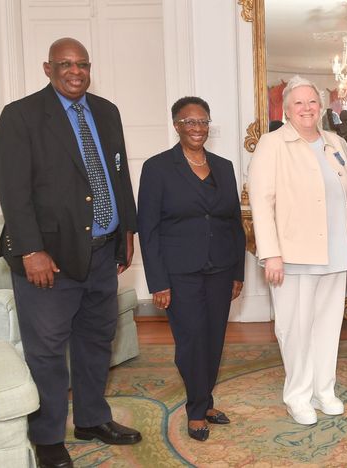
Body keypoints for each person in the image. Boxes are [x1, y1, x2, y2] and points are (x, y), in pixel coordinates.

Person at [0, 37, 140, 467]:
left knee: (97, 340)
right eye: (65, 64)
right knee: (48, 351)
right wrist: (31, 250)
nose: (75, 72)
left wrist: (126, 229)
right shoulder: (21, 116)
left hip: (101, 253)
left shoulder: (106, 111)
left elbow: (118, 174)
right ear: (48, 68)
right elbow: (12, 191)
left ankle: (93, 418)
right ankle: (48, 437)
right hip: (48, 260)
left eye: (82, 64)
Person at [250, 76, 347, 425]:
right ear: (286, 110)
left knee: (328, 328)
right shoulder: (272, 144)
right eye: (298, 103)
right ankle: (298, 396)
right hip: (292, 257)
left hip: (335, 254)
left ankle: (324, 390)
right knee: (295, 329)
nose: (306, 109)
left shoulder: (336, 143)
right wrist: (271, 253)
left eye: (312, 102)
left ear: (322, 107)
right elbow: (261, 201)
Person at [137, 96, 246, 441]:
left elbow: (233, 222)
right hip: (179, 271)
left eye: (203, 122)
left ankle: (205, 398)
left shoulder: (224, 166)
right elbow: (148, 228)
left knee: (214, 339)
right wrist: (158, 281)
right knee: (190, 341)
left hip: (220, 267)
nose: (197, 128)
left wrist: (238, 272)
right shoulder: (157, 168)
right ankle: (196, 410)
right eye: (189, 122)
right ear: (176, 126)